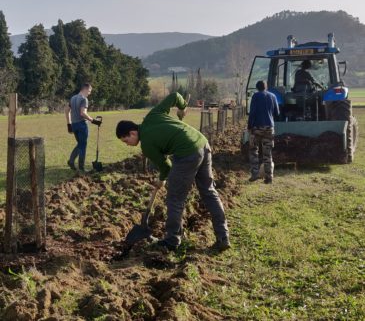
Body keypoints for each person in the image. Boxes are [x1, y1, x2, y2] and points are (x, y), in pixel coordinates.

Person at [115, 92, 230, 252]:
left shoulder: (146, 145)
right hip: (203, 143)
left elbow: (166, 167)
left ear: (133, 133)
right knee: (209, 192)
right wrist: (182, 108)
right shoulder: (152, 115)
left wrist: (161, 180)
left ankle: (172, 240)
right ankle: (223, 237)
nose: (128, 144)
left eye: (126, 141)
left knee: (175, 198)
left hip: (187, 153)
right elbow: (175, 96)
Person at [247, 80, 279, 184]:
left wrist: (249, 126)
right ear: (266, 87)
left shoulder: (255, 96)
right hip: (269, 128)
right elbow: (277, 112)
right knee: (267, 153)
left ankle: (255, 174)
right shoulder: (273, 96)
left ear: (257, 88)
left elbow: (252, 112)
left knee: (253, 150)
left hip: (257, 128)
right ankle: (269, 176)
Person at [65, 83, 102, 172]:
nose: (89, 93)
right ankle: (81, 167)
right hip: (82, 125)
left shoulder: (73, 98)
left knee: (80, 144)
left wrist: (69, 124)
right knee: (83, 145)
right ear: (84, 89)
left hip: (74, 125)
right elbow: (83, 113)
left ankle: (71, 161)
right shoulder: (84, 99)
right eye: (89, 91)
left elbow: (66, 110)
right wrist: (93, 121)